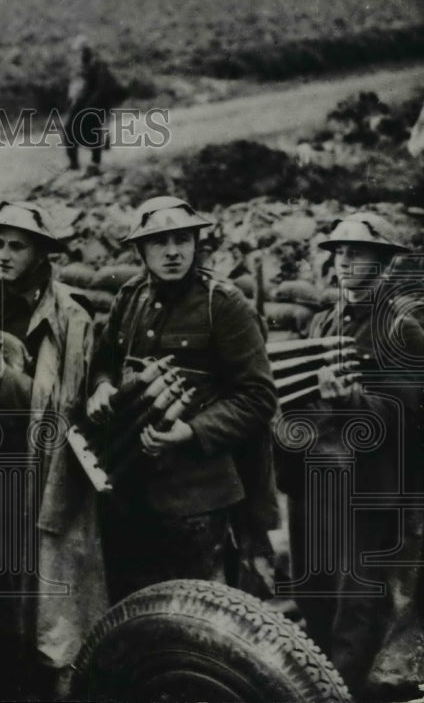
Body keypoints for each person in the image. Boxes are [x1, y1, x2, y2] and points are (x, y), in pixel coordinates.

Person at [0, 201, 105, 699]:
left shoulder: (69, 316)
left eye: (17, 246)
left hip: (43, 474)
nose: (3, 256)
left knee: (42, 598)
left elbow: (54, 405)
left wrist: (0, 375)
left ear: (41, 253)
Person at [86, 196, 278, 603]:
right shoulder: (129, 297)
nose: (173, 251)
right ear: (140, 249)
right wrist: (102, 385)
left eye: (182, 239)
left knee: (200, 613)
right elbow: (103, 360)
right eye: (159, 242)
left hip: (197, 498)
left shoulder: (222, 304)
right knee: (136, 607)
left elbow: (259, 396)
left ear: (196, 243)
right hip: (131, 490)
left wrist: (192, 430)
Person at [275, 213, 424, 699]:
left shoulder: (401, 330)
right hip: (316, 482)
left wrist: (351, 401)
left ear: (381, 265)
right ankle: (316, 688)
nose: (343, 262)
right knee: (311, 592)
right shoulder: (323, 320)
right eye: (338, 253)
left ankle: (339, 695)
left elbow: (405, 417)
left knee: (356, 606)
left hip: (369, 490)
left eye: (356, 253)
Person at [62, 35, 127, 174]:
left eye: (83, 50)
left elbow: (101, 87)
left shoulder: (97, 65)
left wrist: (91, 104)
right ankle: (74, 162)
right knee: (69, 128)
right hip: (81, 101)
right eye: (79, 51)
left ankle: (94, 162)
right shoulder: (81, 65)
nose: (81, 54)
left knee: (92, 130)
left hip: (96, 103)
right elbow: (77, 84)